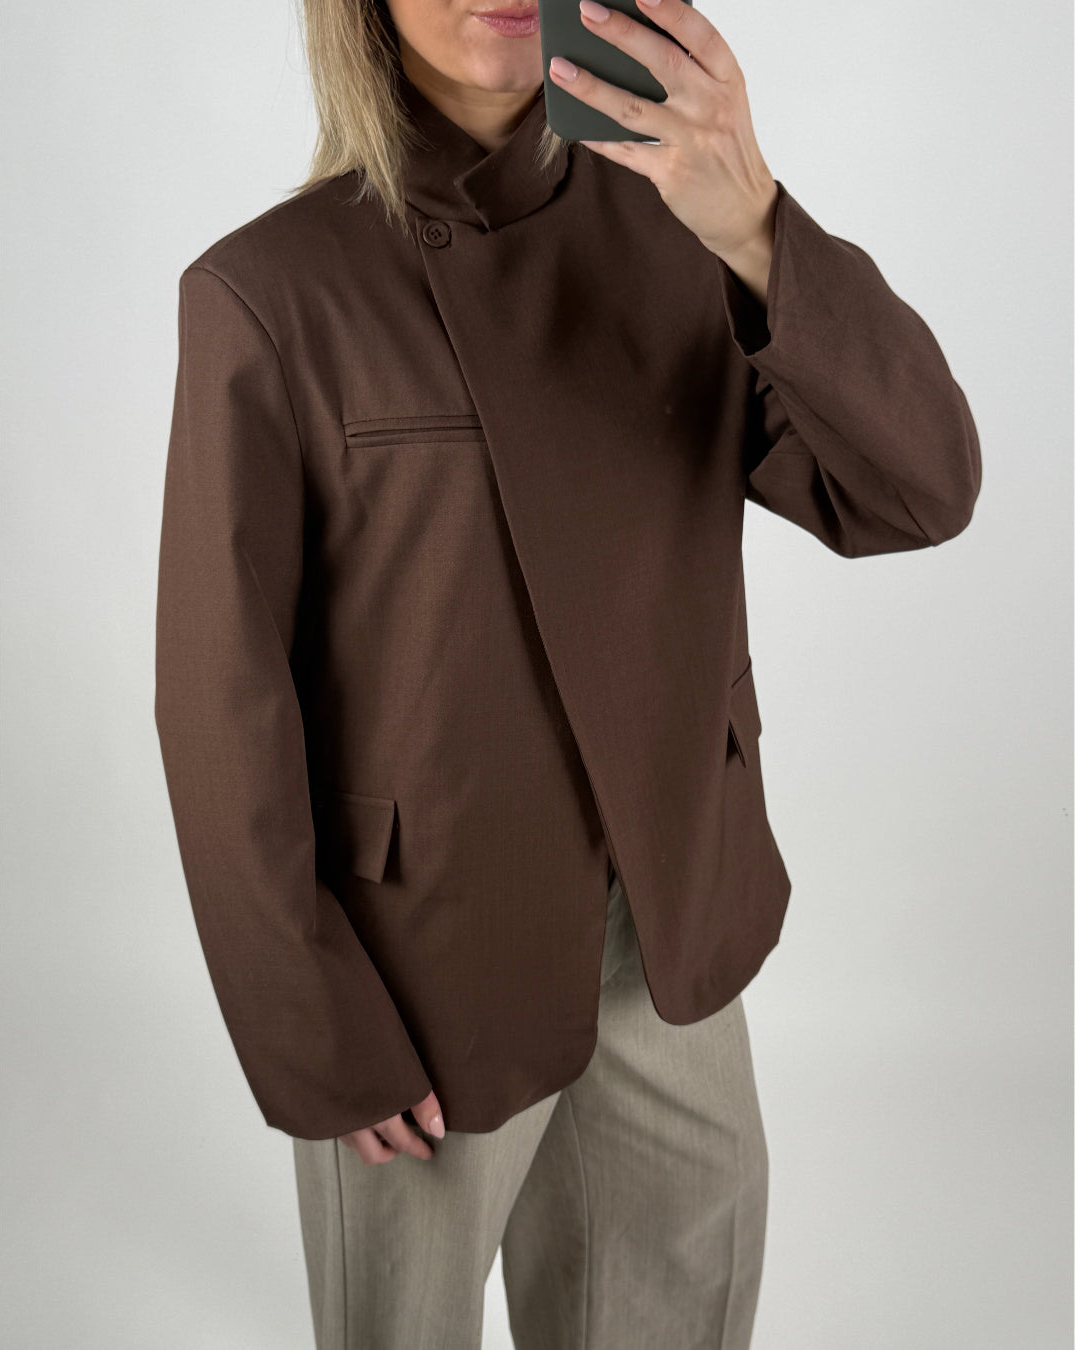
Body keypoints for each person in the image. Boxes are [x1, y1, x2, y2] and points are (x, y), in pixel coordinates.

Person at [153, 0, 981, 1344]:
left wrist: (756, 224)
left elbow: (918, 489)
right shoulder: (271, 291)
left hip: (670, 938)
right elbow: (218, 699)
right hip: (420, 980)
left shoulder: (683, 233)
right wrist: (315, 1024)